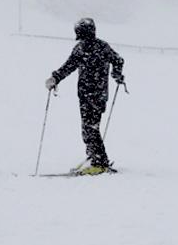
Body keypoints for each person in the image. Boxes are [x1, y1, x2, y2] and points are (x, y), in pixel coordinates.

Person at [45, 17, 125, 174]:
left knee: (91, 128)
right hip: (85, 95)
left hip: (96, 95)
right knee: (87, 128)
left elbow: (118, 61)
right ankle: (93, 156)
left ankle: (99, 162)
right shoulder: (86, 48)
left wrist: (117, 75)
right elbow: (69, 66)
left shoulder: (98, 48)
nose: (82, 39)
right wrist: (55, 78)